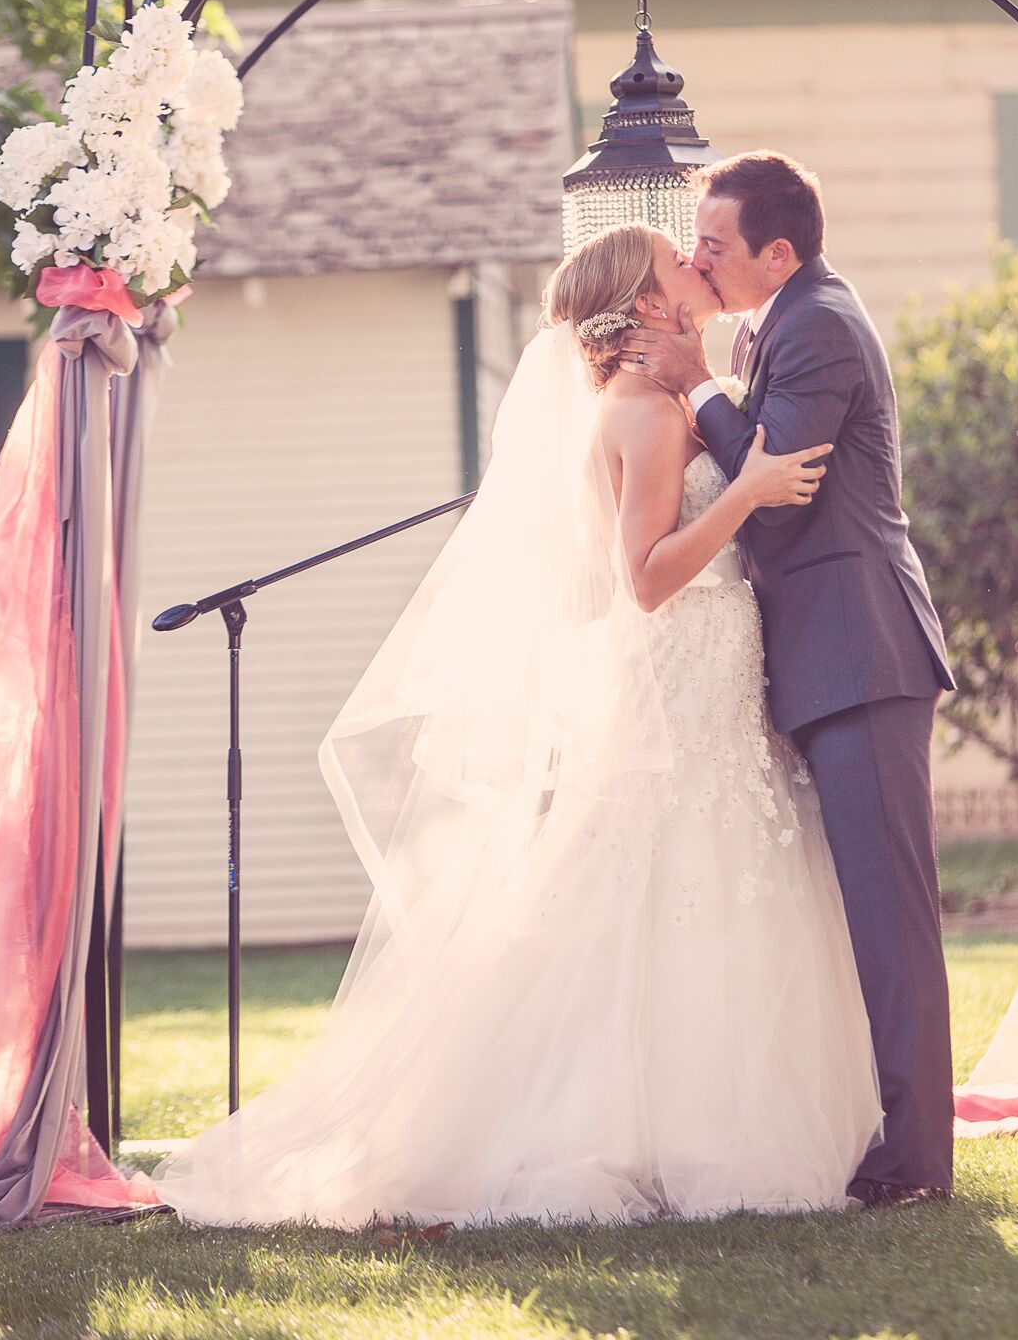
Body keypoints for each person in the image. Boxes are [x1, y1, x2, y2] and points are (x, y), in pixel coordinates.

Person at [155, 222, 882, 1230]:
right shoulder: (642, 411)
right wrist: (752, 491)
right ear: (644, 302)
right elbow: (646, 578)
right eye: (680, 263)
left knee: (690, 878)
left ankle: (682, 1115)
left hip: (705, 673)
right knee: (671, 874)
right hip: (681, 667)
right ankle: (648, 1128)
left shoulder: (660, 399)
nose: (697, 266)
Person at [621, 152, 956, 1206]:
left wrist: (694, 382)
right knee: (852, 911)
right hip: (818, 656)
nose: (696, 255)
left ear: (779, 249)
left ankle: (913, 1162)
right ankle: (880, 1132)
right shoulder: (777, 319)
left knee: (886, 914)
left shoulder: (816, 322)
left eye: (713, 243)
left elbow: (785, 489)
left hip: (860, 652)